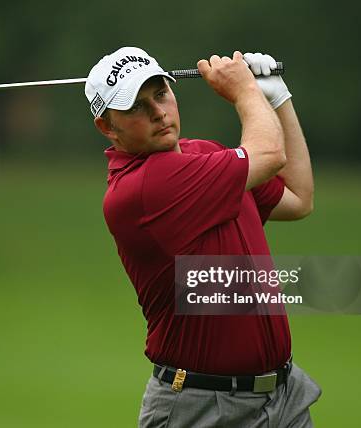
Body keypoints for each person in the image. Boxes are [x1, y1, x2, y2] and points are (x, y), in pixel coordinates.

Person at [85, 46, 321, 427]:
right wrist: (245, 91)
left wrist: (278, 99)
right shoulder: (143, 188)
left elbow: (298, 199)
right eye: (136, 107)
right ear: (107, 126)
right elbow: (269, 154)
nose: (159, 113)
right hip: (203, 409)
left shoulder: (205, 156)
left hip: (283, 399)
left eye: (161, 94)